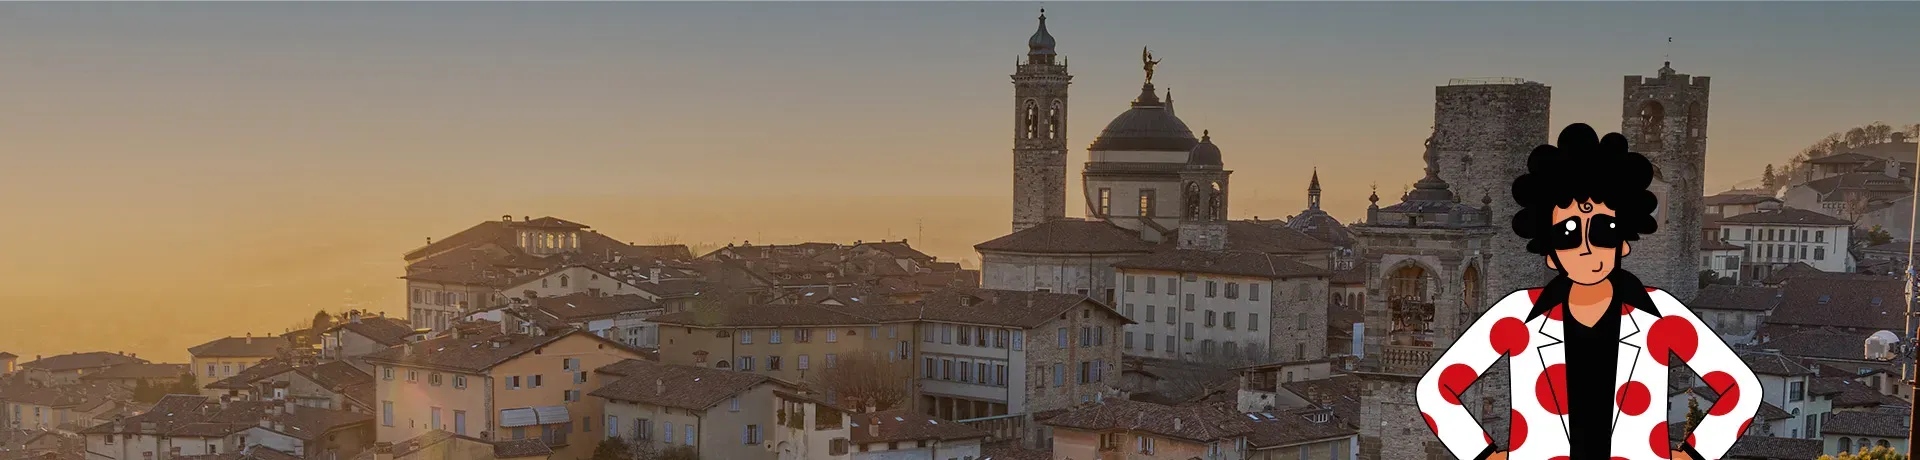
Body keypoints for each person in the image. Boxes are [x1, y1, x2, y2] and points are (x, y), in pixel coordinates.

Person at [1415, 124, 1760, 460]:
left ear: (1622, 243)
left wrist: (1694, 454)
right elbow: (1436, 391)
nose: (1586, 247)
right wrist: (1485, 454)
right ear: (1550, 252)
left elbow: (1742, 390)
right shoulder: (1517, 315)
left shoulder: (1660, 314)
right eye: (1567, 234)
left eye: (1603, 230)